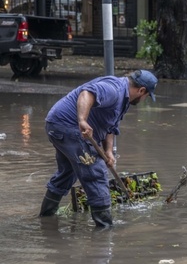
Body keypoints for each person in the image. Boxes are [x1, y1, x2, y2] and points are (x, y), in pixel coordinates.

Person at [39, 70, 158, 227]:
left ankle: (46, 218)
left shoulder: (124, 99)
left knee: (68, 172)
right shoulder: (114, 89)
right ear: (141, 90)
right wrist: (82, 120)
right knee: (96, 173)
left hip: (58, 126)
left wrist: (108, 151)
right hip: (69, 127)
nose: (144, 100)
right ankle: (105, 232)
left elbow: (110, 126)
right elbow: (86, 94)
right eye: (147, 96)